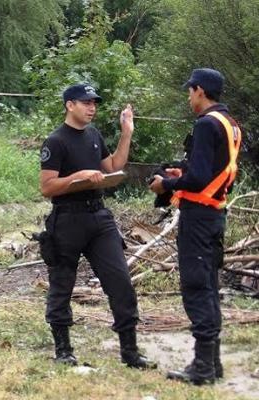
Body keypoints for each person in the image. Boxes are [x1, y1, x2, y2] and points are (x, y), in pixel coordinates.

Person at [40, 83, 155, 369]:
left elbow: (114, 164)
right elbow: (47, 187)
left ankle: (130, 351)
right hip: (67, 218)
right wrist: (77, 176)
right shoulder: (55, 141)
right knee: (62, 285)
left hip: (99, 217)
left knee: (121, 283)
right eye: (86, 102)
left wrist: (126, 133)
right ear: (69, 105)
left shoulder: (93, 135)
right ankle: (63, 350)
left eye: (94, 103)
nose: (92, 108)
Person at [150, 68, 242, 385]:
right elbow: (215, 170)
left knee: (196, 288)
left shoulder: (205, 124)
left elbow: (200, 178)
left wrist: (168, 183)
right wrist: (183, 170)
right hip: (215, 215)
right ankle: (212, 364)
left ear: (200, 91)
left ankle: (202, 368)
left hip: (200, 218)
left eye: (190, 91)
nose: (189, 96)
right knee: (209, 287)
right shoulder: (229, 124)